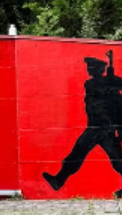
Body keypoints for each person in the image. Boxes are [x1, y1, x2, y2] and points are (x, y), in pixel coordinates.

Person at [43, 54, 122, 195]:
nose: (88, 69)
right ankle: (59, 180)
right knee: (115, 158)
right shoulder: (91, 84)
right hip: (98, 127)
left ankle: (59, 180)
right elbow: (101, 89)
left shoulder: (106, 84)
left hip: (101, 128)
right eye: (88, 67)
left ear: (99, 69)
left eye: (91, 67)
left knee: (79, 153)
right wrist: (111, 81)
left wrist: (112, 80)